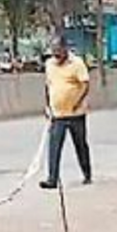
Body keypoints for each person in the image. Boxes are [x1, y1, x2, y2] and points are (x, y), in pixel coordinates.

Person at [40, 38, 93, 190]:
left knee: (80, 144)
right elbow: (48, 85)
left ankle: (87, 173)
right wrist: (48, 105)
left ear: (65, 49)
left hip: (76, 113)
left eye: (58, 52)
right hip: (58, 114)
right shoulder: (49, 64)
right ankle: (52, 178)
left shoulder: (77, 63)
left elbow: (85, 84)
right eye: (53, 52)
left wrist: (77, 102)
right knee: (54, 145)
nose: (56, 56)